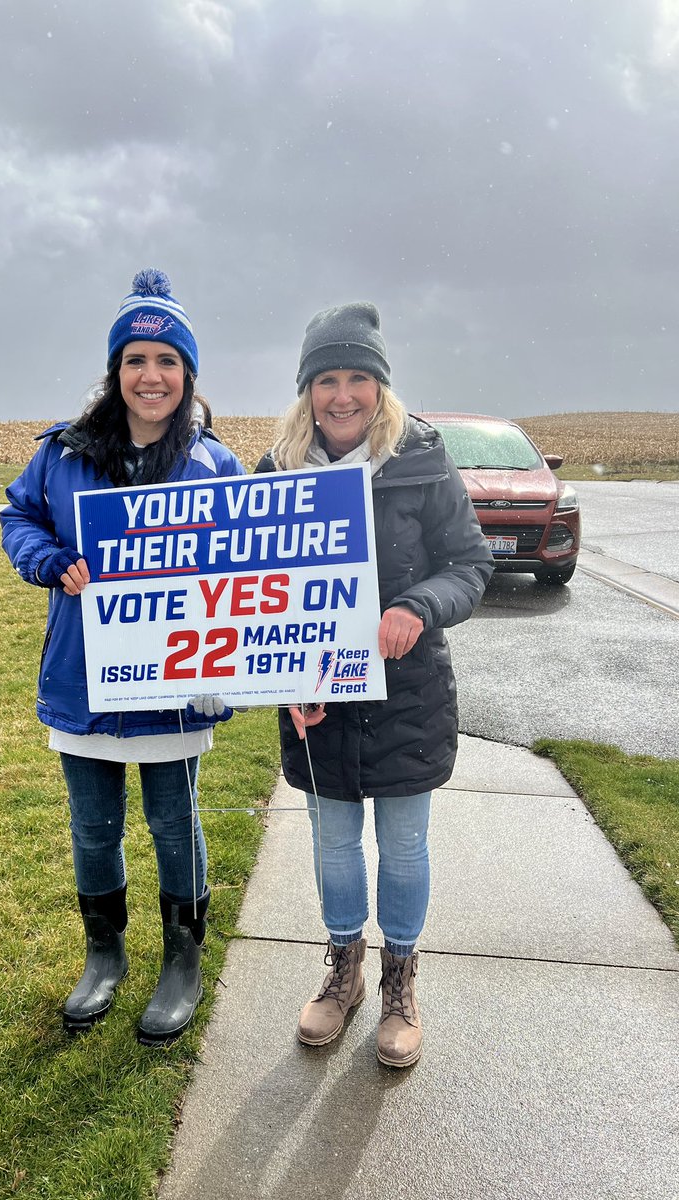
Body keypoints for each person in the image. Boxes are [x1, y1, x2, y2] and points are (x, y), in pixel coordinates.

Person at [0, 269, 244, 1044]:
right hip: (83, 676)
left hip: (175, 680)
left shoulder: (214, 464)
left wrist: (226, 662)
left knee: (176, 824)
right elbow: (19, 518)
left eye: (168, 361)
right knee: (93, 827)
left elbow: (246, 571)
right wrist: (48, 560)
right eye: (136, 359)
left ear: (188, 375)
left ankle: (183, 961)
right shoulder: (63, 456)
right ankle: (103, 955)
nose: (151, 376)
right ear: (116, 371)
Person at [256, 301, 493, 1067]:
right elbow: (258, 589)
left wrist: (418, 607)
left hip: (408, 697)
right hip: (315, 701)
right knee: (332, 846)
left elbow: (471, 565)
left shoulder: (422, 462)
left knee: (403, 846)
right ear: (308, 390)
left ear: (381, 386)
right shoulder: (277, 473)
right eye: (328, 379)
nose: (343, 395)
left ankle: (399, 981)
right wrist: (285, 675)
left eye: (359, 377)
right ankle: (344, 973)